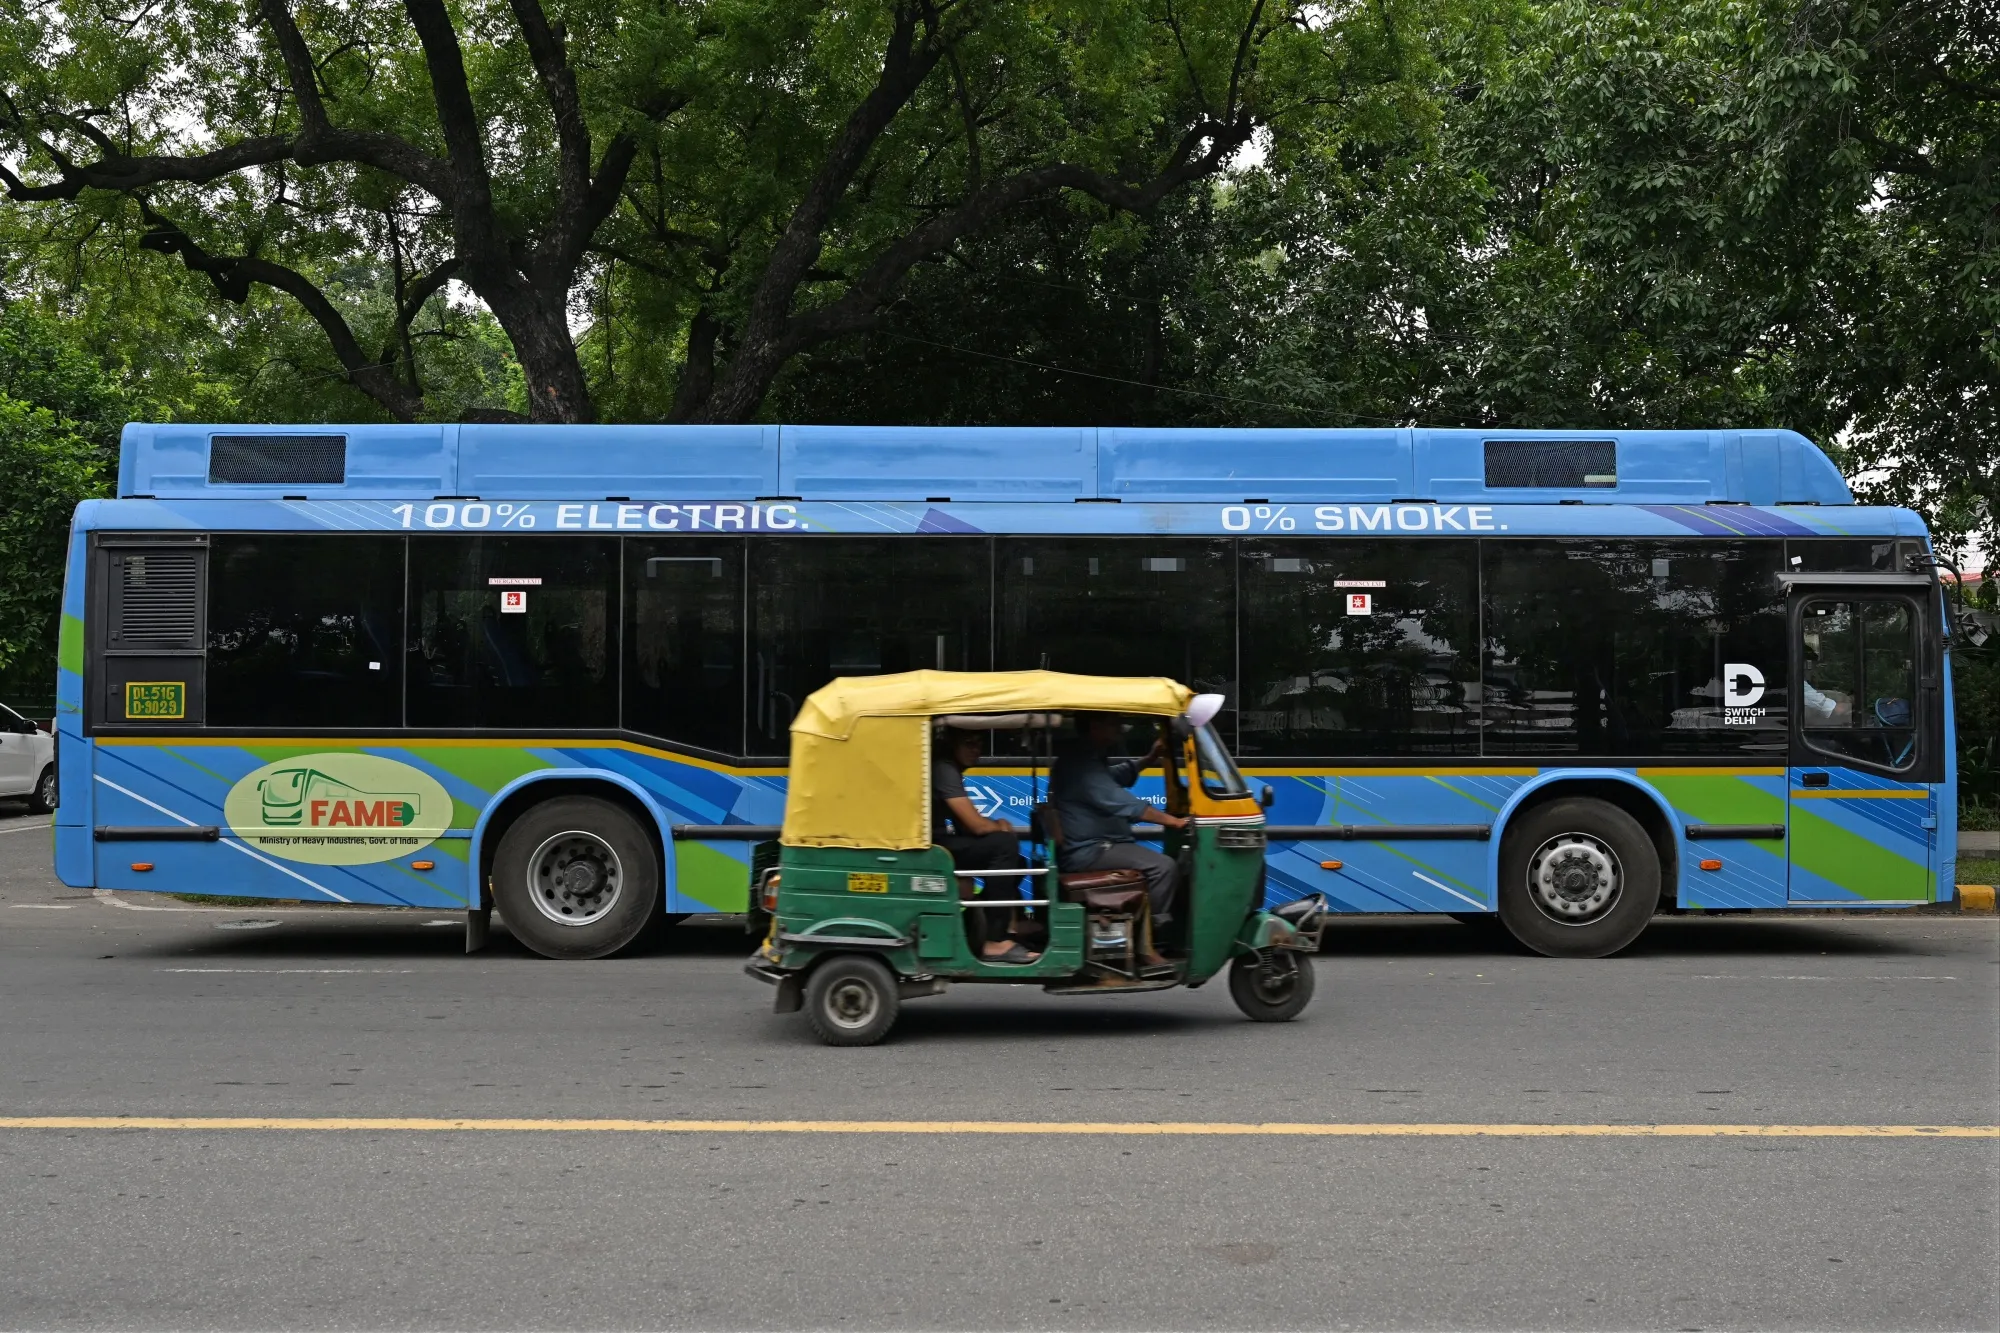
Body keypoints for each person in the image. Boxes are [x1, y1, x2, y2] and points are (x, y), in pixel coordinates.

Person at [1049, 713, 1189, 965]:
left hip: (1100, 845)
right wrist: (1174, 821)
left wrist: (1149, 759)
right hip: (1091, 851)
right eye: (1113, 724)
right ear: (1094, 724)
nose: (1120, 730)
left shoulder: (1088, 759)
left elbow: (1114, 778)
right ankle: (1149, 944)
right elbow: (1123, 802)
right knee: (1163, 867)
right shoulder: (1081, 766)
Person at [932, 728, 1039, 964]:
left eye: (979, 743)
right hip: (932, 849)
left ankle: (1003, 930)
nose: (976, 750)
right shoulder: (943, 768)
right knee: (1003, 845)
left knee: (1016, 862)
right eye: (968, 742)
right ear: (951, 744)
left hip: (940, 844)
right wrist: (999, 825)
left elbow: (966, 825)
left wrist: (993, 826)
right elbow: (977, 826)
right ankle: (995, 940)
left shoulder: (950, 769)